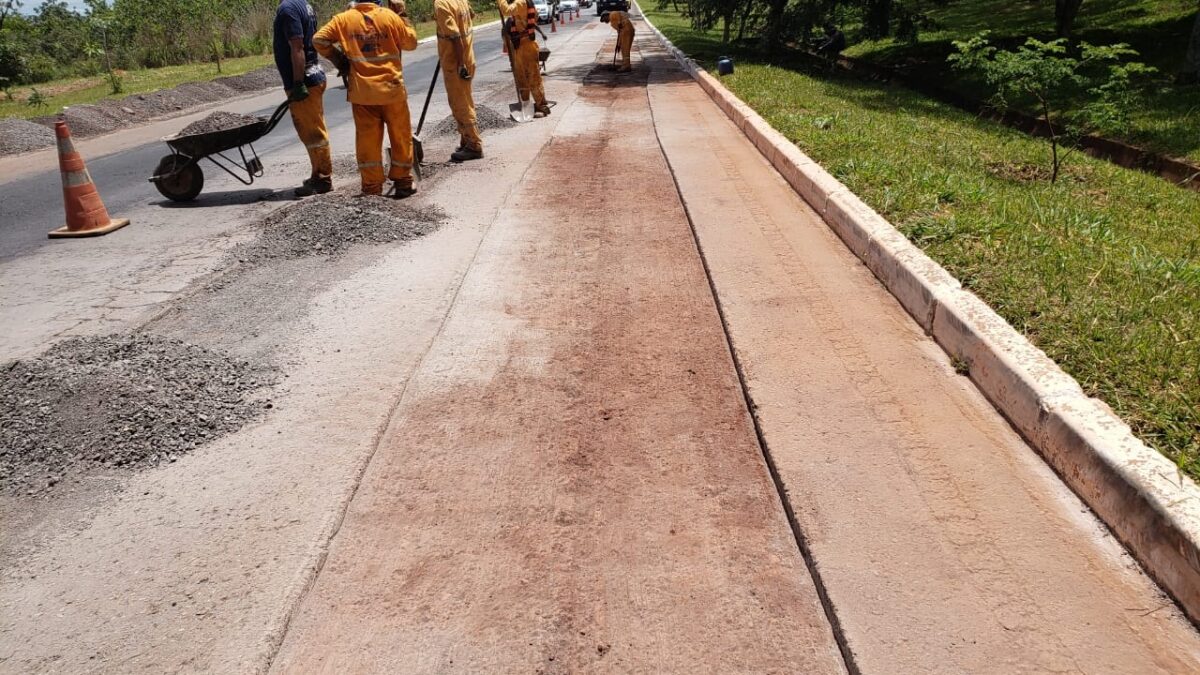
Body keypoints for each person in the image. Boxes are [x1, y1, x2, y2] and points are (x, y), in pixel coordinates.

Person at [313, 1, 419, 198]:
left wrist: (339, 60)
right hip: (391, 91)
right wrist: (402, 15)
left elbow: (319, 40)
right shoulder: (389, 17)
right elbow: (411, 43)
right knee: (400, 137)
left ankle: (371, 188)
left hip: (363, 94)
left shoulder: (344, 19)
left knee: (367, 142)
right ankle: (403, 181)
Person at [273, 0, 332, 197]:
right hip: (313, 76)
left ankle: (323, 178)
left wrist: (298, 83)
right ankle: (317, 173)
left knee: (313, 133)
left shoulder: (288, 8)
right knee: (311, 130)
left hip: (305, 81)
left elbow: (297, 47)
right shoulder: (304, 4)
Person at [434, 0, 484, 161]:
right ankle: (465, 139)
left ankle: (474, 146)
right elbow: (471, 15)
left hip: (456, 63)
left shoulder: (441, 4)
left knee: (461, 104)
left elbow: (455, 35)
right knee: (464, 100)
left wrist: (460, 63)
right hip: (468, 58)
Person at [497, 0, 550, 118]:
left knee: (533, 77)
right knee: (521, 79)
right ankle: (526, 106)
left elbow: (506, 10)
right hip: (519, 46)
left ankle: (541, 106)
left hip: (527, 46)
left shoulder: (521, 2)